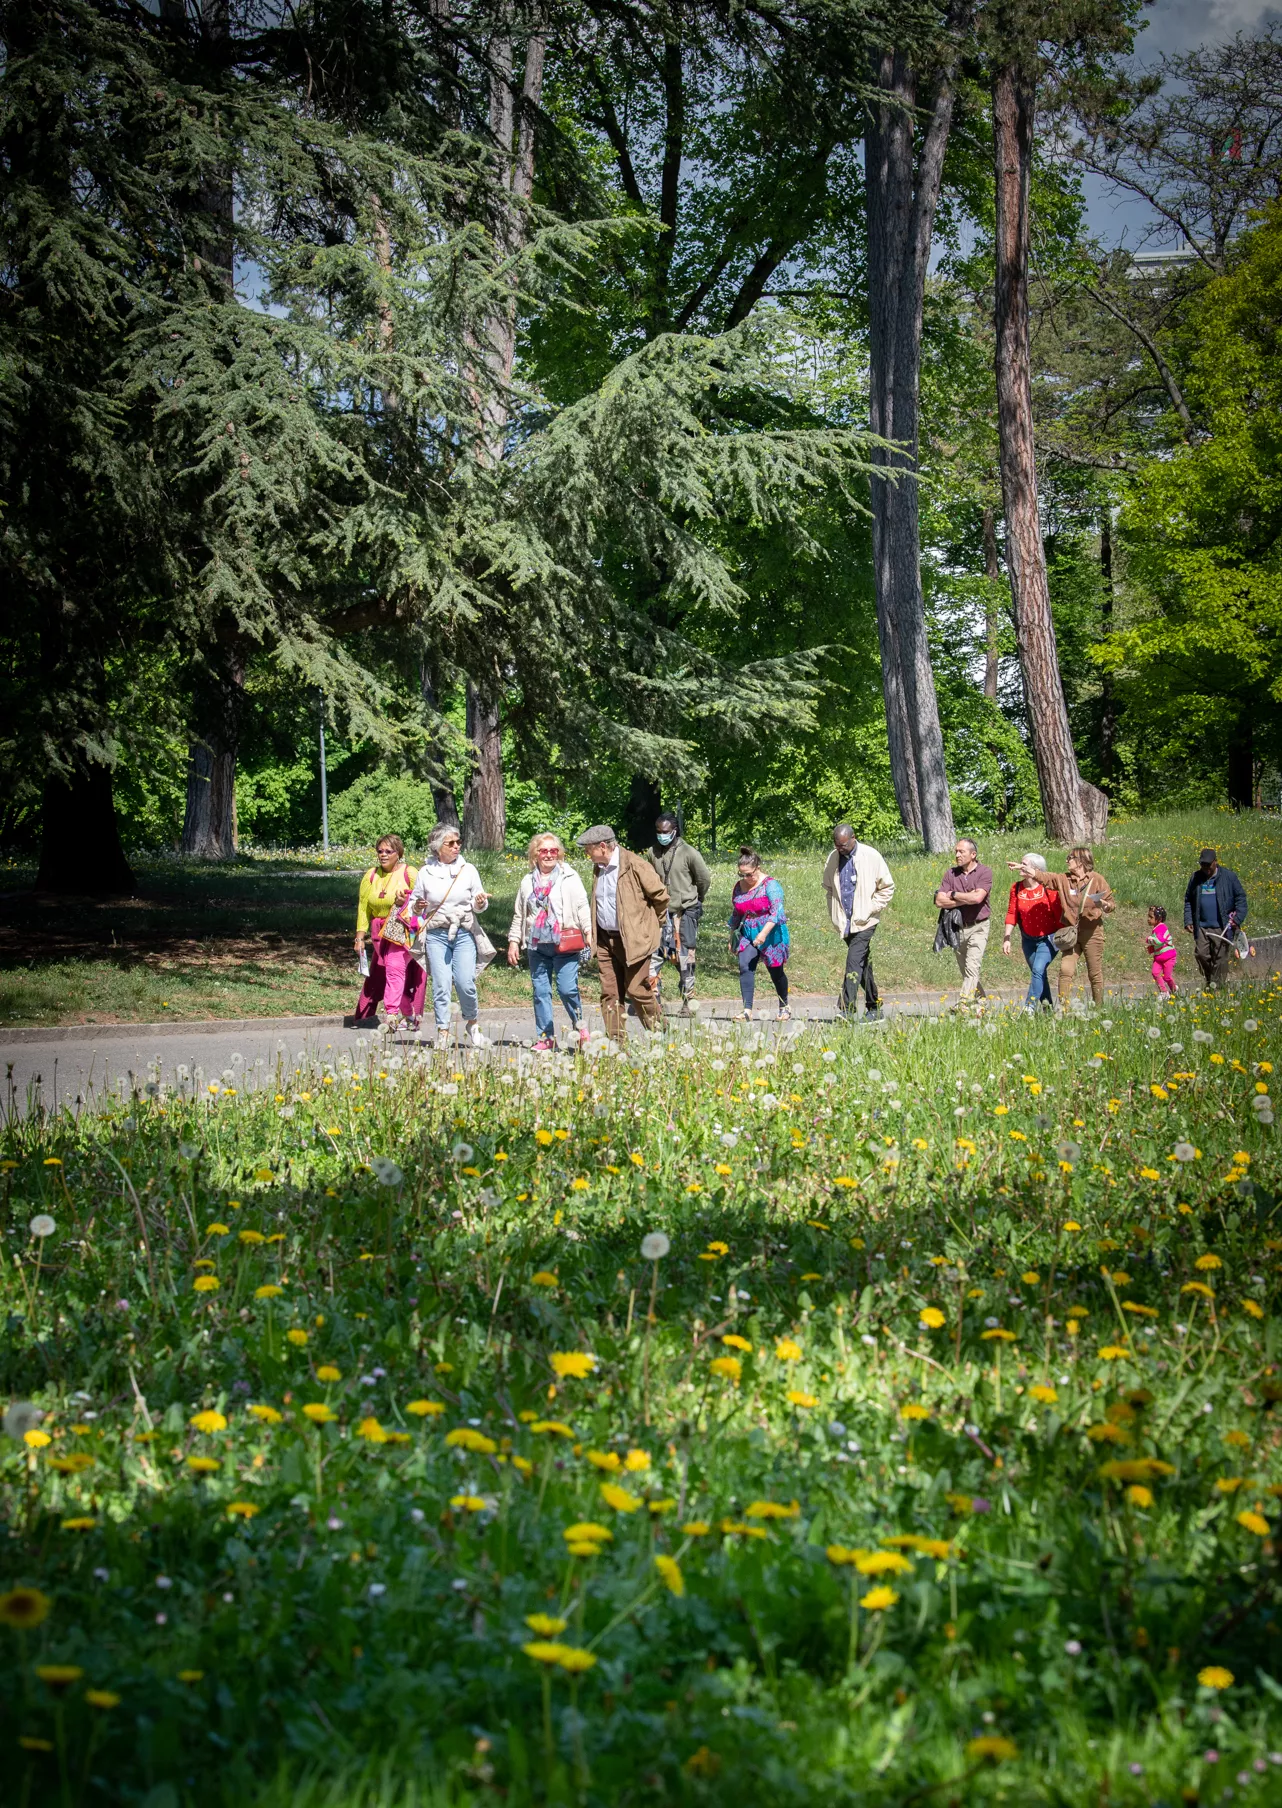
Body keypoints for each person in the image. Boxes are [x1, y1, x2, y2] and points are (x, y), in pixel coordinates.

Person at [403, 823, 491, 1050]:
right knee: (441, 985)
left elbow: (478, 902)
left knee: (465, 982)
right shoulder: (425, 872)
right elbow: (414, 904)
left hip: (463, 931)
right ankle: (443, 1031)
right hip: (436, 934)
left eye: (458, 842)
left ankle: (472, 1024)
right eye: (450, 843)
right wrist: (418, 907)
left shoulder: (468, 869)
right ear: (437, 847)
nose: (456, 846)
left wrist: (480, 903)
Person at [578, 825, 668, 1041]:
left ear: (602, 846)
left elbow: (661, 898)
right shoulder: (599, 866)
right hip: (605, 941)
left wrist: (649, 928)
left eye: (588, 849)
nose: (586, 853)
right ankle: (617, 1042)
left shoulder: (635, 865)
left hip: (634, 941)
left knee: (637, 990)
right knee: (610, 993)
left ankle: (659, 1033)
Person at [507, 833, 593, 1053]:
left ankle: (581, 1029)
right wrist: (514, 941)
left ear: (559, 854)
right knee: (540, 992)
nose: (548, 855)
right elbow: (520, 913)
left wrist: (589, 932)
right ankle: (546, 1038)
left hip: (565, 943)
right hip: (537, 945)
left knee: (567, 989)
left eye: (553, 851)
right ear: (535, 854)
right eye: (543, 851)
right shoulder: (527, 881)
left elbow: (583, 906)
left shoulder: (569, 877)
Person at [822, 822, 895, 1021]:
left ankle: (846, 1009)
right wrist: (835, 915)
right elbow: (828, 888)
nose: (840, 849)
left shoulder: (871, 856)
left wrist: (870, 909)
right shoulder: (833, 857)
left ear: (853, 838)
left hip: (866, 921)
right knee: (862, 964)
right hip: (845, 922)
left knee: (853, 962)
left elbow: (887, 887)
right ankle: (875, 1007)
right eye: (837, 845)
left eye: (843, 845)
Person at [353, 834, 425, 1031]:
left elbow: (422, 902)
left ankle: (391, 1015)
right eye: (380, 851)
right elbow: (363, 907)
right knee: (392, 972)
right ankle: (409, 1015)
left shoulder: (409, 873)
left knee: (394, 967)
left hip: (404, 928)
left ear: (398, 853)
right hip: (379, 932)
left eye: (388, 851)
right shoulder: (371, 875)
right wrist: (360, 936)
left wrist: (406, 902)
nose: (383, 855)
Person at [646, 810, 712, 1012]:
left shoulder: (689, 853)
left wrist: (695, 900)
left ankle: (688, 1001)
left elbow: (704, 879)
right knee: (653, 957)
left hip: (685, 912)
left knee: (685, 959)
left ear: (674, 831)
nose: (661, 835)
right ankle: (654, 1000)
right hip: (660, 913)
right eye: (658, 831)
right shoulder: (652, 852)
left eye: (665, 831)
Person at [728, 845, 790, 1020]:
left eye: (749, 874)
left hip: (770, 932)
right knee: (745, 966)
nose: (747, 878)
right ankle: (747, 1010)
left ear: (758, 868)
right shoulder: (739, 887)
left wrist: (763, 934)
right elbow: (736, 912)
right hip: (748, 931)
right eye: (742, 874)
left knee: (775, 970)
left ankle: (784, 1006)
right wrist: (732, 935)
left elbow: (776, 912)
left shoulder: (771, 885)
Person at [933, 837, 993, 1004]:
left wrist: (952, 895)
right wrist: (963, 898)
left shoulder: (984, 872)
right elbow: (939, 901)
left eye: (961, 851)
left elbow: (978, 898)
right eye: (956, 852)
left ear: (973, 854)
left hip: (979, 926)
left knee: (972, 967)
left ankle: (963, 1004)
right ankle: (982, 1003)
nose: (957, 855)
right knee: (966, 971)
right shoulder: (950, 873)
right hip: (957, 928)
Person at [1055, 846, 1115, 1008]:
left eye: (1070, 858)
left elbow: (1111, 905)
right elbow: (1045, 877)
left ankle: (1099, 1008)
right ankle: (1064, 1011)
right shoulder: (1064, 879)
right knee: (1065, 971)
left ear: (1080, 862)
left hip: (1092, 933)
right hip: (1071, 934)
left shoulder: (1097, 879)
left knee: (1094, 974)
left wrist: (1103, 905)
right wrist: (1029, 870)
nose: (1067, 860)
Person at [1001, 852, 1063, 1011]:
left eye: (1024, 864)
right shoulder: (1016, 888)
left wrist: (1065, 938)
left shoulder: (1049, 888)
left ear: (1035, 869)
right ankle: (1047, 1010)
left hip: (1048, 939)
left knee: (1038, 970)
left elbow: (1059, 914)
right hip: (1028, 940)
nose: (1020, 866)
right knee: (1039, 974)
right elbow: (1011, 913)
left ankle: (1029, 1007)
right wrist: (1007, 938)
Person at [1183, 847, 1249, 989]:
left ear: (1215, 862)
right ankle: (1210, 980)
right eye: (1203, 864)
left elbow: (1241, 899)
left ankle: (1217, 989)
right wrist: (1188, 920)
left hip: (1222, 926)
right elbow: (1188, 899)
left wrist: (1237, 919)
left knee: (1220, 960)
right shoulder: (1196, 878)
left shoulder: (1228, 877)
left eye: (1208, 864)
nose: (1205, 867)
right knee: (1201, 954)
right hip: (1201, 925)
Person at [1146, 905, 1179, 997]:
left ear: (1159, 919)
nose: (1148, 919)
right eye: (1148, 916)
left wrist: (1148, 939)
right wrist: (1152, 948)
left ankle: (1174, 989)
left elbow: (1159, 941)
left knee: (1167, 977)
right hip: (1159, 958)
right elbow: (1159, 944)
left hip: (1168, 957)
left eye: (1151, 917)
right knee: (1155, 972)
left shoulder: (1162, 927)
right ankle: (1164, 992)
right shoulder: (1155, 929)